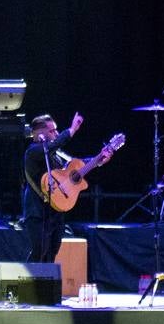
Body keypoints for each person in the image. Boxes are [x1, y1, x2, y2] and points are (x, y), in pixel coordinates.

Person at [22, 112, 114, 263]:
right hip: (37, 213)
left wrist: (99, 159)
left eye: (56, 130)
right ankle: (28, 283)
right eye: (52, 131)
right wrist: (72, 130)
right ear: (39, 134)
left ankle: (47, 285)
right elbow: (54, 144)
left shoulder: (56, 155)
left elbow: (76, 166)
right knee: (40, 251)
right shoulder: (33, 152)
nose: (56, 134)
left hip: (55, 212)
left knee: (52, 253)